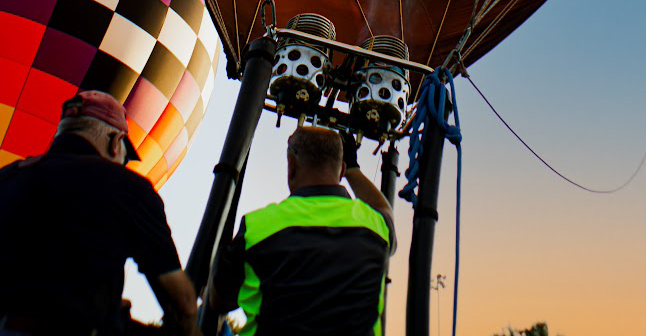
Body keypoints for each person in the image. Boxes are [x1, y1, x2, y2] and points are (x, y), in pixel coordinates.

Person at [0, 90, 199, 336]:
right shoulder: (129, 187)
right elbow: (183, 306)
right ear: (116, 142)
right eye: (125, 159)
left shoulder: (6, 176)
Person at [209, 126, 395, 336]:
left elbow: (218, 300)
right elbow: (385, 210)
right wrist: (354, 169)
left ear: (292, 165)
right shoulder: (375, 227)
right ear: (341, 171)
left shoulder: (257, 227)